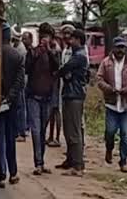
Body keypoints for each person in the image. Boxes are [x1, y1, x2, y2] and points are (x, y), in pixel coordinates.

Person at [96, 37, 127, 173]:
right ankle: (109, 149)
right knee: (110, 131)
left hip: (126, 105)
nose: (120, 50)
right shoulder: (106, 63)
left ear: (126, 49)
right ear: (113, 49)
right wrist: (109, 89)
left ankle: (124, 161)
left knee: (125, 134)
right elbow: (99, 79)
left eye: (123, 48)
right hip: (111, 104)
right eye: (118, 47)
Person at [26, 23, 60, 175]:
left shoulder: (53, 53)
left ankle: (41, 161)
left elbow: (57, 68)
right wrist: (38, 52)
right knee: (35, 130)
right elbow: (27, 68)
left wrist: (50, 52)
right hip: (33, 96)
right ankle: (38, 163)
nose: (45, 39)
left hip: (47, 97)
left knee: (42, 130)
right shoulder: (32, 52)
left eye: (48, 36)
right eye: (43, 36)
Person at [0, 23, 25, 188]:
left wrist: (1, 98)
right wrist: (10, 98)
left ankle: (1, 175)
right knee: (10, 138)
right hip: (11, 104)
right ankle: (13, 173)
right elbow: (20, 81)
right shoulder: (17, 55)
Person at [57, 29, 89, 176]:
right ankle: (71, 160)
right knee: (69, 129)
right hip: (71, 94)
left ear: (79, 40)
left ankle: (78, 165)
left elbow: (64, 69)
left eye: (73, 39)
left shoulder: (80, 56)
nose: (70, 42)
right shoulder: (77, 55)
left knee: (74, 131)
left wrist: (63, 72)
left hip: (74, 95)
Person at [11, 29, 28, 142]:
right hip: (21, 80)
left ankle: (21, 131)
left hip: (20, 82)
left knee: (20, 107)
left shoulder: (20, 50)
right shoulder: (18, 48)